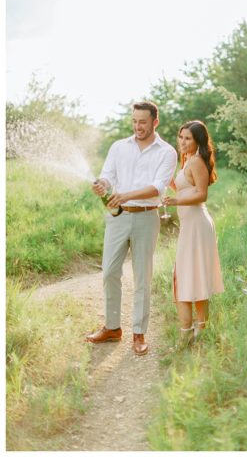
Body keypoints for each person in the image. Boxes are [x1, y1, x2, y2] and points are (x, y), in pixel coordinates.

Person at [85, 101, 177, 356]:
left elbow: (158, 188)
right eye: (135, 121)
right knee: (109, 272)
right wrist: (101, 184)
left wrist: (124, 195)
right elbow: (108, 175)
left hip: (147, 217)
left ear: (155, 122)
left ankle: (139, 333)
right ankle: (113, 328)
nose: (138, 126)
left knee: (142, 277)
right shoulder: (118, 147)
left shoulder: (167, 152)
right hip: (118, 217)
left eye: (143, 122)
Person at [162, 120, 224, 348]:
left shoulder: (197, 161)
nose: (182, 142)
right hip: (191, 226)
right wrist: (169, 182)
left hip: (197, 225)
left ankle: (191, 333)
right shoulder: (187, 160)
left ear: (198, 140)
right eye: (181, 137)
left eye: (187, 138)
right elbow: (185, 189)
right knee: (192, 276)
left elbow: (201, 194)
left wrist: (176, 200)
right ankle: (196, 333)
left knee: (185, 277)